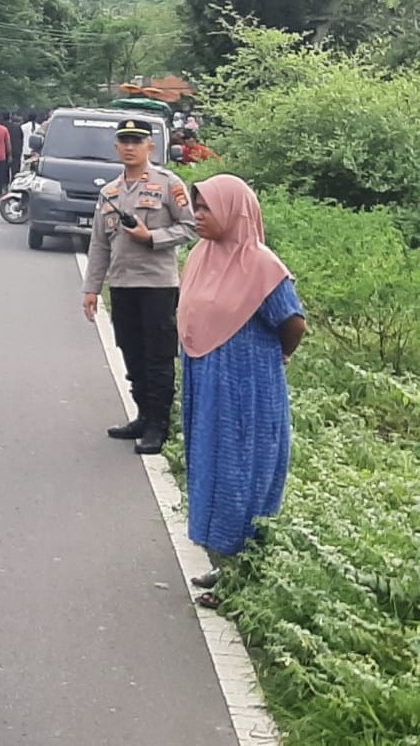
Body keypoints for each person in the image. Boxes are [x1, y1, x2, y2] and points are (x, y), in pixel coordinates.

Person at [177, 176, 305, 608]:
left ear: (234, 213)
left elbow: (293, 322)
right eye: (195, 207)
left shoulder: (262, 266)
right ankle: (223, 560)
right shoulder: (201, 256)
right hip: (207, 382)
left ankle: (240, 579)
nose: (197, 216)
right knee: (210, 464)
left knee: (241, 472)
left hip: (247, 389)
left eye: (206, 208)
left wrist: (276, 359)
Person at [82, 118, 198, 454]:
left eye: (137, 141)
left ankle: (158, 425)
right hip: (122, 284)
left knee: (158, 356)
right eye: (124, 141)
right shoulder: (110, 192)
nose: (130, 147)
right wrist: (91, 288)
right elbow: (99, 243)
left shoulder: (167, 184)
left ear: (150, 146)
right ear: (117, 147)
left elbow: (190, 227)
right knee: (131, 353)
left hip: (158, 285)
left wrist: (153, 238)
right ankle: (142, 414)